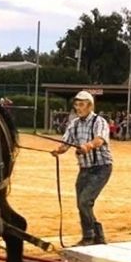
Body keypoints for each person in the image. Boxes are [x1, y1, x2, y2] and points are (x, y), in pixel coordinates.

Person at [54, 90, 114, 246]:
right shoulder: (74, 124)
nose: (77, 108)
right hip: (85, 169)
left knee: (84, 201)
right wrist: (59, 150)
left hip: (101, 167)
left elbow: (100, 140)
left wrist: (88, 146)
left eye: (81, 105)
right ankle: (98, 236)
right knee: (83, 203)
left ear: (89, 106)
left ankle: (88, 237)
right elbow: (66, 143)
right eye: (76, 105)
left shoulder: (99, 122)